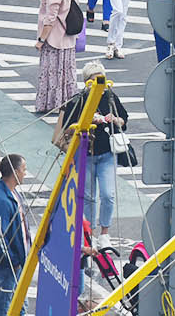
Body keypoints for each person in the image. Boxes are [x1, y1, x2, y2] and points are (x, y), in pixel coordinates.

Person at [58, 61, 131, 247]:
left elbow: (124, 120)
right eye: (94, 80)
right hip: (86, 154)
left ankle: (104, 232)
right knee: (89, 196)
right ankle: (88, 233)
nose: (99, 83)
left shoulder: (110, 97)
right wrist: (86, 122)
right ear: (86, 82)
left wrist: (114, 119)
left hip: (107, 153)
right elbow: (66, 128)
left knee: (108, 194)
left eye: (101, 79)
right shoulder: (79, 100)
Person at [0, 153, 29, 316]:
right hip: (6, 266)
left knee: (20, 306)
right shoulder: (1, 200)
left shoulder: (12, 194)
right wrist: (13, 260)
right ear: (15, 172)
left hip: (15, 263)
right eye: (23, 169)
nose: (25, 173)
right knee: (3, 308)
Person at [34, 0, 79, 114]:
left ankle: (49, 102)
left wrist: (41, 40)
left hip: (54, 39)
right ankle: (67, 101)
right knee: (67, 71)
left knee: (51, 71)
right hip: (69, 37)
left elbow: (49, 20)